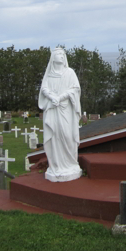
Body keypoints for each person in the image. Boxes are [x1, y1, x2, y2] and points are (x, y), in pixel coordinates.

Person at [38, 48, 83, 182]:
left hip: (65, 109)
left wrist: (61, 97)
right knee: (54, 136)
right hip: (53, 109)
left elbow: (75, 88)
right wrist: (52, 97)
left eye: (63, 54)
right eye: (58, 54)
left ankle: (70, 164)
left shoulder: (70, 73)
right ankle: (56, 165)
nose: (61, 56)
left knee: (67, 135)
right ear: (53, 57)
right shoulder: (49, 74)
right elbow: (44, 88)